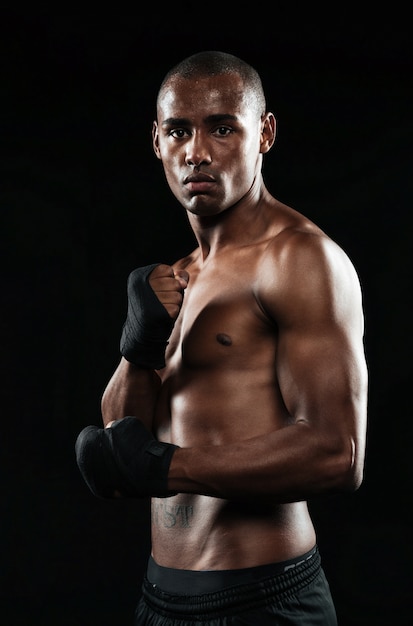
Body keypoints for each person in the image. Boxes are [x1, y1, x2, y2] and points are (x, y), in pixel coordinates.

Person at [75, 50, 368, 625]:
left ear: (265, 133)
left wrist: (168, 468)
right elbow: (121, 448)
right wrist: (137, 348)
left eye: (223, 127)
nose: (198, 152)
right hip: (159, 598)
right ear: (157, 141)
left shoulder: (298, 260)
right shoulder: (178, 276)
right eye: (179, 130)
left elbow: (339, 455)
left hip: (264, 599)